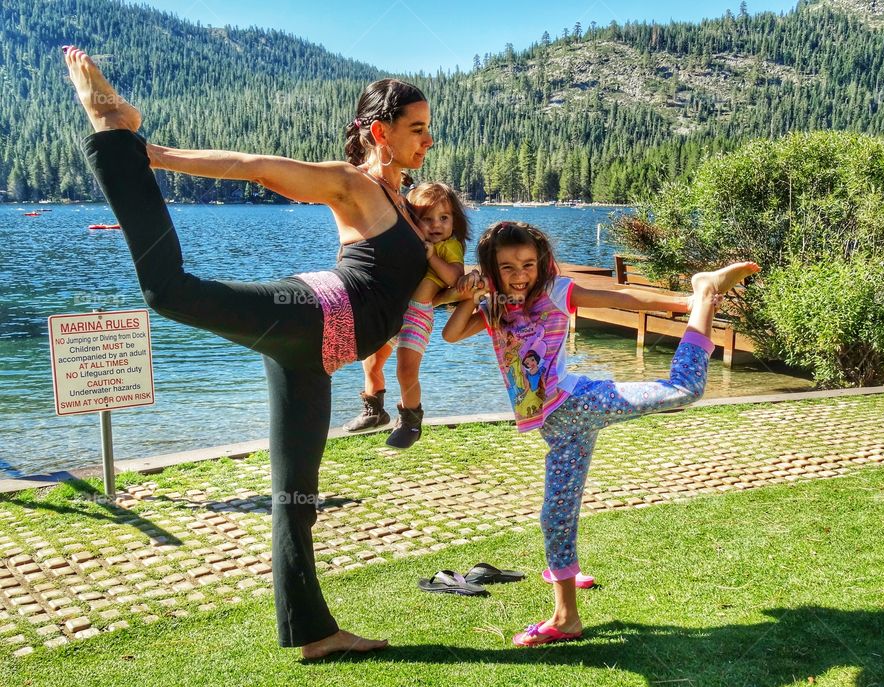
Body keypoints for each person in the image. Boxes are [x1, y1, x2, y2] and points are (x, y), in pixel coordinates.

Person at [62, 45, 434, 659]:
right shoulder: (353, 184)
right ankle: (114, 136)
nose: (427, 141)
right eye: (416, 129)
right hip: (312, 316)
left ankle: (315, 634)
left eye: (428, 129)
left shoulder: (401, 201)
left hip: (315, 354)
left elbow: (408, 291)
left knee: (296, 496)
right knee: (169, 290)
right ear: (379, 132)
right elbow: (257, 166)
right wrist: (151, 154)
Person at [443, 220, 760, 647]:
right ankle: (566, 615)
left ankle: (705, 292)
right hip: (558, 429)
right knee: (555, 516)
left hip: (576, 403)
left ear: (541, 264)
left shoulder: (556, 292)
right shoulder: (495, 308)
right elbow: (451, 332)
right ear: (492, 269)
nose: (520, 274)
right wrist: (472, 295)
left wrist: (687, 303)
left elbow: (621, 295)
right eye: (507, 267)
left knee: (685, 389)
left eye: (528, 264)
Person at [343, 183, 469, 448]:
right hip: (394, 308)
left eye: (444, 218)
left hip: (417, 315)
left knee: (406, 370)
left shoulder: (449, 246)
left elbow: (455, 278)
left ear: (454, 221)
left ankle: (411, 421)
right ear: (413, 221)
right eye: (427, 219)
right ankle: (374, 409)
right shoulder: (411, 242)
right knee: (371, 361)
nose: (436, 225)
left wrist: (433, 257)